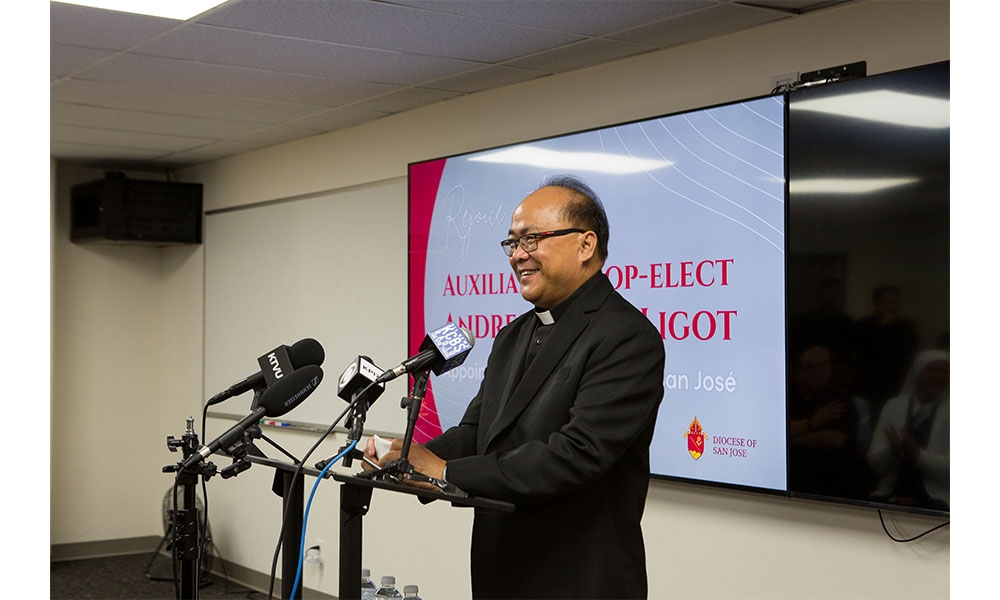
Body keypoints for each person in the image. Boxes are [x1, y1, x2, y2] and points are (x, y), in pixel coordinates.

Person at [364, 175, 665, 599]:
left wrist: (447, 472)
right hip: (501, 569)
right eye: (512, 243)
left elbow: (576, 455)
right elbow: (478, 431)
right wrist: (410, 457)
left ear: (585, 245)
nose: (518, 255)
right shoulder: (513, 334)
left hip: (578, 576)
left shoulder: (626, 336)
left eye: (532, 239)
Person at [866, 349, 949, 512]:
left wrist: (918, 455)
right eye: (931, 370)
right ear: (917, 373)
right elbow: (874, 463)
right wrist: (892, 451)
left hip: (938, 503)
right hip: (890, 495)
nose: (938, 377)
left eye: (944, 372)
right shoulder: (893, 406)